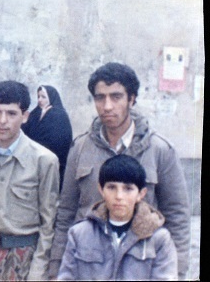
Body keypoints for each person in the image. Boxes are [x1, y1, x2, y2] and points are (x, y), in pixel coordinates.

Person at [48, 62, 190, 279]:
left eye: (116, 97)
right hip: (89, 266)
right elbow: (66, 213)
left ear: (131, 99)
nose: (107, 106)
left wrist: (177, 272)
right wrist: (55, 270)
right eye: (100, 97)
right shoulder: (80, 148)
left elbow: (177, 216)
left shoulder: (160, 150)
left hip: (140, 265)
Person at [0, 80, 60, 281]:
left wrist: (38, 272)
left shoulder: (44, 160)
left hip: (22, 258)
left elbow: (48, 223)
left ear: (25, 116)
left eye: (11, 113)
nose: (2, 121)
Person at [57, 155, 178, 280]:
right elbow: (66, 277)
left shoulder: (159, 239)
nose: (119, 196)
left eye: (128, 189)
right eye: (111, 187)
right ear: (101, 190)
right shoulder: (79, 234)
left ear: (141, 194)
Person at [22, 85, 73, 189]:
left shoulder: (59, 115)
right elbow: (25, 133)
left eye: (43, 97)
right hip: (31, 161)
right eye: (38, 96)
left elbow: (58, 141)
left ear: (51, 97)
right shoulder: (35, 113)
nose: (40, 100)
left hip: (51, 162)